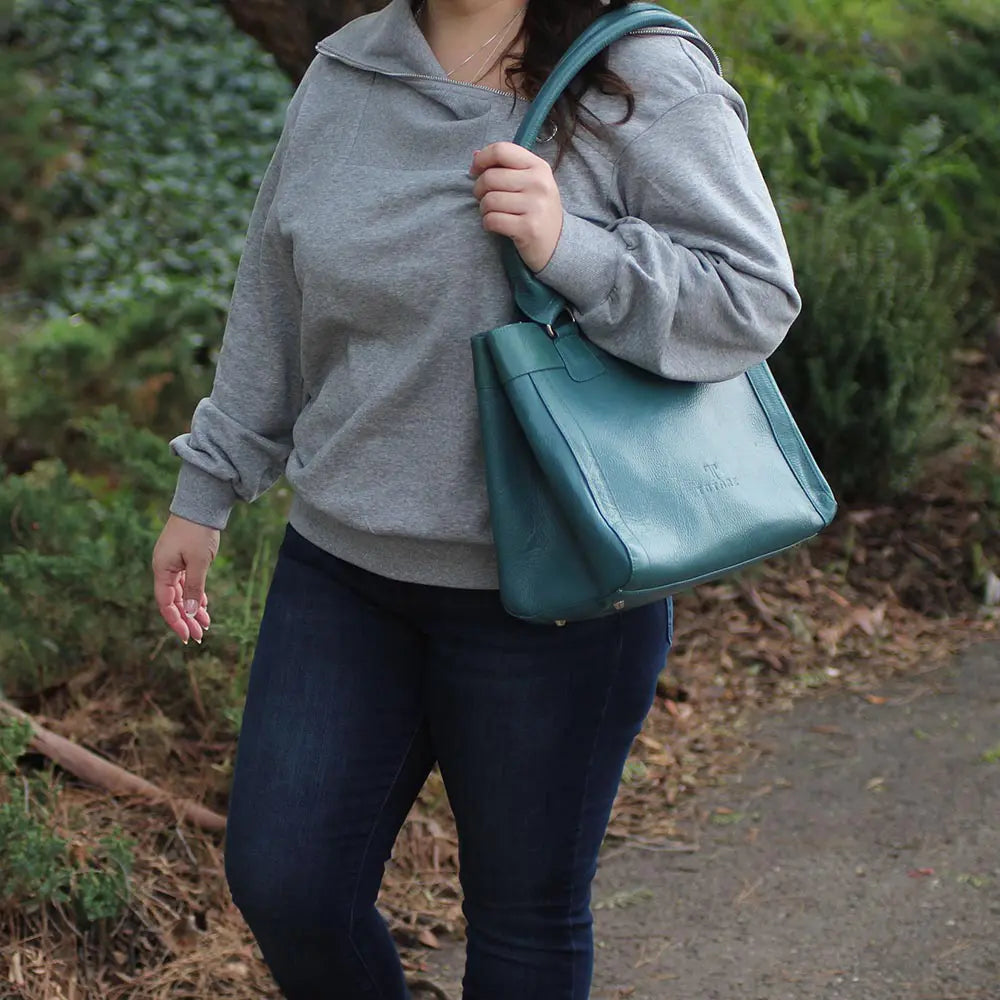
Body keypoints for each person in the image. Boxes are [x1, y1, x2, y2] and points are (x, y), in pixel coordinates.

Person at [150, 0, 800, 996]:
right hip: (344, 570)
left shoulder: (636, 72)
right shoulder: (349, 69)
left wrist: (566, 246)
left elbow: (752, 296)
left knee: (523, 923)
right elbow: (273, 294)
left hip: (555, 588)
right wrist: (209, 483)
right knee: (287, 884)